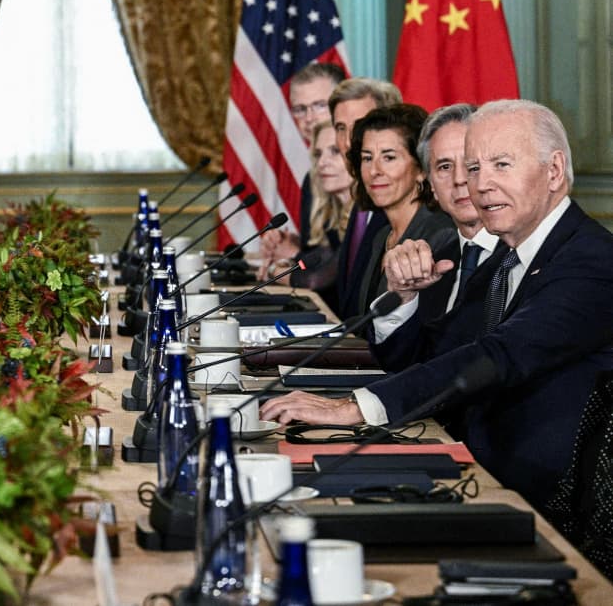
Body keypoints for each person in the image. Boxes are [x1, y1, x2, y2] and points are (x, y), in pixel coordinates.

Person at [262, 100, 613, 510]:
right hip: (470, 469)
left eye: (501, 165)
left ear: (553, 171)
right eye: (474, 167)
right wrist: (403, 298)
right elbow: (431, 356)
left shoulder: (592, 259)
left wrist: (354, 407)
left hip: (544, 501)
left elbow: (500, 356)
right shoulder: (505, 257)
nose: (478, 184)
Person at [370, 104, 498, 366]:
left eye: (470, 164)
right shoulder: (436, 262)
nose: (459, 179)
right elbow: (403, 363)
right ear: (431, 186)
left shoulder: (520, 257)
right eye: (444, 166)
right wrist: (402, 297)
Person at [346, 103, 455, 316]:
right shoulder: (381, 236)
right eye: (367, 158)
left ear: (421, 169)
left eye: (389, 157)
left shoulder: (441, 235)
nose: (374, 171)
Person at [327, 78, 403, 318]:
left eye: (360, 126)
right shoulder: (361, 198)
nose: (348, 142)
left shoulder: (399, 205)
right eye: (340, 128)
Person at [258, 62, 345, 267]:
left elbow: (351, 265)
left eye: (320, 105)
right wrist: (294, 245)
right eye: (300, 109)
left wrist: (295, 255)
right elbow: (326, 249)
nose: (309, 118)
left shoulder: (358, 170)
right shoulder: (313, 177)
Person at [282, 120, 354, 308]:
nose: (322, 163)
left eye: (335, 151)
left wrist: (276, 272)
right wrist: (289, 256)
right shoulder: (335, 211)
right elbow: (323, 256)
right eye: (318, 154)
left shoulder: (366, 214)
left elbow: (315, 280)